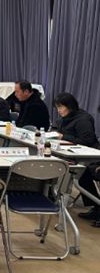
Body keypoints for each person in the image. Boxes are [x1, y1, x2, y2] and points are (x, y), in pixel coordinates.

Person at [51, 93, 100, 223]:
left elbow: (87, 141)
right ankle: (51, 195)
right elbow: (56, 129)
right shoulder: (64, 118)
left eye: (61, 107)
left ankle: (97, 206)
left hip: (90, 157)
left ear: (70, 106)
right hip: (71, 155)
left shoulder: (83, 119)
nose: (59, 110)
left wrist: (63, 137)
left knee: (81, 172)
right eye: (57, 107)